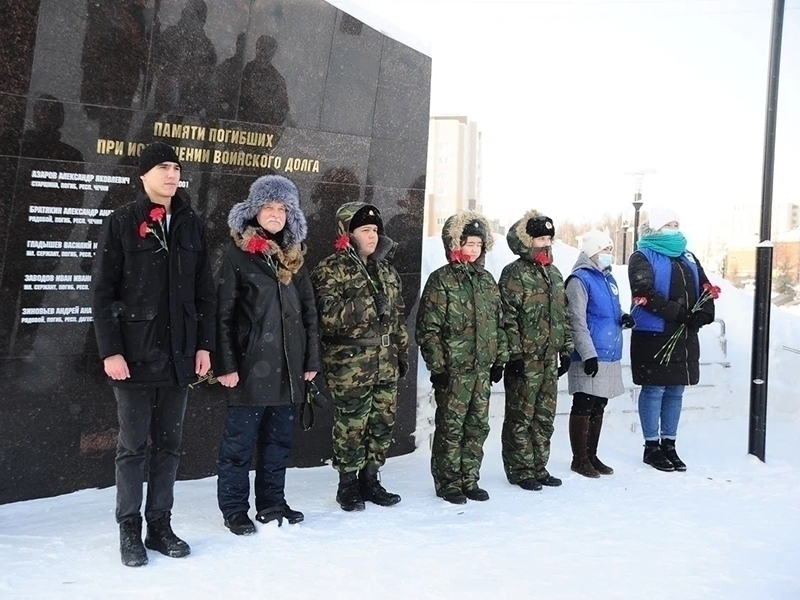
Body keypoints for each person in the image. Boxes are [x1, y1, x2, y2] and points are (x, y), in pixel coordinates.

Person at [91, 142, 215, 567]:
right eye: (163, 166)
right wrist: (111, 351)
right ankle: (129, 529)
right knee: (132, 447)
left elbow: (205, 292)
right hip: (135, 355)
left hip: (180, 355)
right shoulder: (123, 221)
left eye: (177, 167)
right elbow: (103, 292)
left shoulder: (191, 224)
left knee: (170, 445)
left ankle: (159, 525)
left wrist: (203, 345)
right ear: (144, 175)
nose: (172, 174)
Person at [213, 175, 321, 535]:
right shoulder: (235, 254)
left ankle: (272, 502)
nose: (275, 214)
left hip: (290, 368)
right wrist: (226, 364)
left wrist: (311, 361)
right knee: (239, 446)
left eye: (282, 208)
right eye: (269, 206)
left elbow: (309, 314)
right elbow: (222, 314)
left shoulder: (295, 258)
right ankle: (234, 509)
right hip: (249, 368)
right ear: (254, 210)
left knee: (278, 443)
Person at [311, 202, 408, 511]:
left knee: (382, 423)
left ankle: (371, 479)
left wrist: (401, 351)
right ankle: (348, 484)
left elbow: (398, 316)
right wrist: (365, 306)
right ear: (348, 233)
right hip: (350, 364)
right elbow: (323, 314)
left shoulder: (387, 270)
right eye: (365, 230)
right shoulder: (331, 268)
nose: (372, 236)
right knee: (351, 426)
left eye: (376, 230)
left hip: (385, 361)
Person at [416, 212, 508, 504]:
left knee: (477, 426)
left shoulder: (486, 281)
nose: (473, 250)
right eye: (468, 243)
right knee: (451, 427)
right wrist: (438, 367)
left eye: (479, 244)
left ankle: (470, 477)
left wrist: (499, 360)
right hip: (454, 372)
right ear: (454, 243)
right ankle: (448, 482)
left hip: (481, 370)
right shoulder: (441, 281)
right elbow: (428, 329)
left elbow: (499, 323)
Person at [628, 207, 715, 472]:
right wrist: (679, 313)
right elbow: (644, 291)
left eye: (676, 223)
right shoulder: (642, 255)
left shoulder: (687, 256)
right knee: (655, 389)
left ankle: (670, 443)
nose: (674, 228)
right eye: (668, 223)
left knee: (676, 389)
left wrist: (703, 313)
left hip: (683, 334)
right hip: (654, 333)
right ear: (655, 227)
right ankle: (651, 446)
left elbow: (706, 287)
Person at [499, 210, 573, 491]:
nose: (545, 244)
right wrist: (514, 355)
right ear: (527, 241)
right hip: (525, 360)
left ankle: (539, 466)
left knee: (544, 416)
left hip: (548, 359)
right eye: (540, 238)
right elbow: (506, 318)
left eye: (548, 238)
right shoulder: (514, 273)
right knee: (521, 416)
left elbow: (562, 315)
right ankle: (520, 469)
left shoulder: (553, 274)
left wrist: (566, 349)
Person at [565, 230, 633, 478]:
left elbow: (608, 309)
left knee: (599, 403)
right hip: (590, 351)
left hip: (609, 351)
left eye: (611, 250)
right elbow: (577, 320)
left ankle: (592, 455)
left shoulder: (608, 279)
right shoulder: (579, 280)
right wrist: (587, 353)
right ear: (593, 252)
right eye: (605, 250)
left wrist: (623, 316)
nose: (609, 255)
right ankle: (579, 458)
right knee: (584, 402)